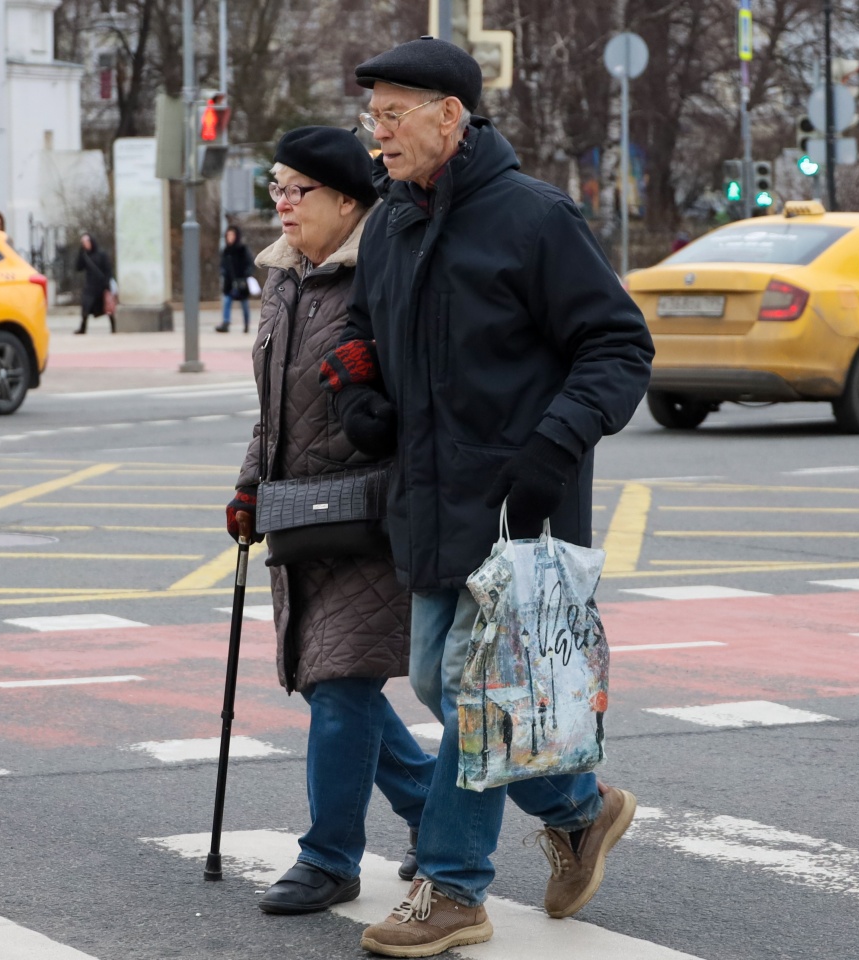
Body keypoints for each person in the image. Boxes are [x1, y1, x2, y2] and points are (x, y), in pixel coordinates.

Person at [318, 38, 654, 957]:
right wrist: (356, 388)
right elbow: (359, 326)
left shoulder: (534, 217)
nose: (376, 134)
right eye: (372, 117)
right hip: (428, 500)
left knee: (475, 694)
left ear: (450, 117)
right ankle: (580, 810)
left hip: (518, 503)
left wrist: (555, 444)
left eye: (392, 115)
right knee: (438, 676)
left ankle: (453, 887)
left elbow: (620, 346)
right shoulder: (392, 221)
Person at [229, 126, 436, 916]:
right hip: (302, 517)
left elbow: (412, 400)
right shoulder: (285, 281)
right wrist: (250, 487)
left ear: (347, 202)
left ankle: (329, 859)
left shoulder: (381, 277)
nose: (280, 203)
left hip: (371, 513)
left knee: (341, 681)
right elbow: (273, 415)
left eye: (296, 189)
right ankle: (426, 805)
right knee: (328, 684)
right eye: (274, 186)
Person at [215, 226, 255, 332]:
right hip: (229, 282)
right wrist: (223, 272)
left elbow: (250, 263)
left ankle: (246, 324)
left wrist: (246, 275)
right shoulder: (226, 251)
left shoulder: (242, 249)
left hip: (241, 281)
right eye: (228, 235)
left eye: (232, 235)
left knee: (244, 303)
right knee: (227, 301)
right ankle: (226, 322)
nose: (230, 238)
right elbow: (223, 265)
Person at [74, 233, 114, 335]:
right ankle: (83, 328)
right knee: (85, 307)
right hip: (90, 286)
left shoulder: (101, 254)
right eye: (83, 242)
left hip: (102, 285)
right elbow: (78, 267)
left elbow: (108, 270)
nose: (86, 244)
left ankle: (114, 327)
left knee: (108, 307)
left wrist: (106, 284)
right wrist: (81, 252)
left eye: (87, 241)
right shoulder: (85, 255)